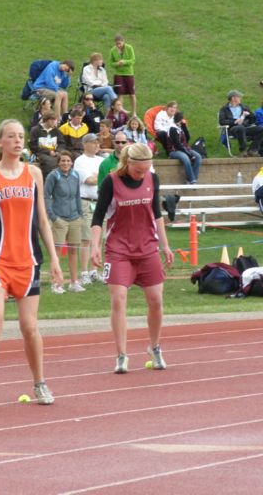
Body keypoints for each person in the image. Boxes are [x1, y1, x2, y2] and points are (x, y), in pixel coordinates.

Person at [0, 119, 63, 410]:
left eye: (20, 136)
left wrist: (54, 258)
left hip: (28, 261)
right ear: (0, 142)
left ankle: (40, 382)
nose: (18, 141)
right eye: (11, 137)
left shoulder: (34, 174)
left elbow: (42, 218)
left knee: (29, 326)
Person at [91, 143, 173, 373]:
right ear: (128, 164)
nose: (142, 174)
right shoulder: (111, 182)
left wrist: (165, 245)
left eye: (146, 170)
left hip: (147, 247)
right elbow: (98, 217)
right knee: (118, 299)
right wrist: (95, 247)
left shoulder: (152, 179)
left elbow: (156, 213)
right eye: (138, 171)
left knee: (156, 299)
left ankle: (155, 347)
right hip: (119, 249)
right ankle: (121, 354)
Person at [44, 150, 84, 292]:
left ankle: (74, 282)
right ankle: (56, 283)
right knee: (57, 251)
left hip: (75, 218)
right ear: (58, 162)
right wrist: (53, 217)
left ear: (72, 162)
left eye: (68, 161)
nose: (65, 163)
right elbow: (46, 196)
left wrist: (80, 214)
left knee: (74, 251)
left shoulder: (75, 175)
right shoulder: (53, 176)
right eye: (63, 161)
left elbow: (78, 195)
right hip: (59, 218)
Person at [73, 134, 104, 286]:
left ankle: (94, 270)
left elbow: (108, 178)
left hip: (100, 202)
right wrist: (101, 176)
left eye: (98, 142)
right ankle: (84, 272)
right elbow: (90, 181)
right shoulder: (80, 161)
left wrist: (98, 176)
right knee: (86, 238)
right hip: (86, 201)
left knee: (99, 238)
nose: (96, 145)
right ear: (85, 144)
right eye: (93, 142)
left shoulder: (101, 160)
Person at [218, 90, 263, 157]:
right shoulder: (224, 109)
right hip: (232, 129)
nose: (240, 98)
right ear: (233, 98)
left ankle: (252, 150)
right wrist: (234, 121)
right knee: (240, 128)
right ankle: (243, 150)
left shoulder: (244, 107)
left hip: (245, 127)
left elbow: (252, 120)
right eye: (239, 97)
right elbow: (222, 121)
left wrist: (249, 115)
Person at [167, 111, 201, 184]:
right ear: (179, 119)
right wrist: (189, 154)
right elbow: (177, 144)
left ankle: (191, 179)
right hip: (174, 150)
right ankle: (192, 180)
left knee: (198, 157)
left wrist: (184, 126)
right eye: (182, 119)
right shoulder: (172, 128)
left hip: (185, 148)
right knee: (186, 158)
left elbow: (188, 138)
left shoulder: (180, 127)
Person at [109, 35, 137, 117]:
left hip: (129, 74)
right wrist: (117, 64)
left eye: (120, 43)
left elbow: (133, 60)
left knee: (132, 93)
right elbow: (111, 63)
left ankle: (134, 112)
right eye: (117, 44)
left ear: (123, 41)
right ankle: (121, 111)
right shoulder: (113, 50)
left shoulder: (129, 48)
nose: (118, 45)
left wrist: (124, 62)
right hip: (118, 74)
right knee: (120, 93)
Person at [29, 111, 62, 178]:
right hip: (41, 153)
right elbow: (33, 145)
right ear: (46, 120)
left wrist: (58, 151)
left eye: (56, 120)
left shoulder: (56, 131)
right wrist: (48, 152)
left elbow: (62, 143)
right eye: (53, 120)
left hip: (55, 152)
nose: (55, 122)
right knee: (50, 162)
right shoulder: (35, 130)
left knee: (65, 160)